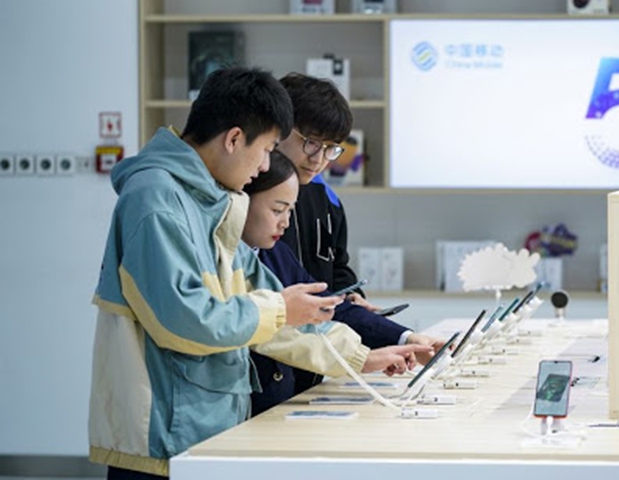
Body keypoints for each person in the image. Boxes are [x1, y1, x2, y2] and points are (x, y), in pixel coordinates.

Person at [87, 66, 422, 480]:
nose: (265, 166)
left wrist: (359, 356)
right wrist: (280, 309)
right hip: (162, 440)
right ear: (233, 139)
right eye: (265, 150)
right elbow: (186, 320)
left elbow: (272, 310)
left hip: (210, 426)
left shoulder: (213, 200)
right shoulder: (156, 198)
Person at [274, 73, 446, 395]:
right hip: (271, 370)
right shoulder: (251, 199)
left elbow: (337, 269)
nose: (318, 159)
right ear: (278, 128)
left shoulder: (325, 197)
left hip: (318, 366)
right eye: (311, 142)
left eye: (330, 149)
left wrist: (354, 301)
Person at [242, 152, 438, 413]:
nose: (285, 223)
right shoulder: (226, 254)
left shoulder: (275, 251)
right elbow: (272, 332)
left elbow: (328, 306)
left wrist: (406, 339)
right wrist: (359, 358)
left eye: (290, 211)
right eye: (277, 210)